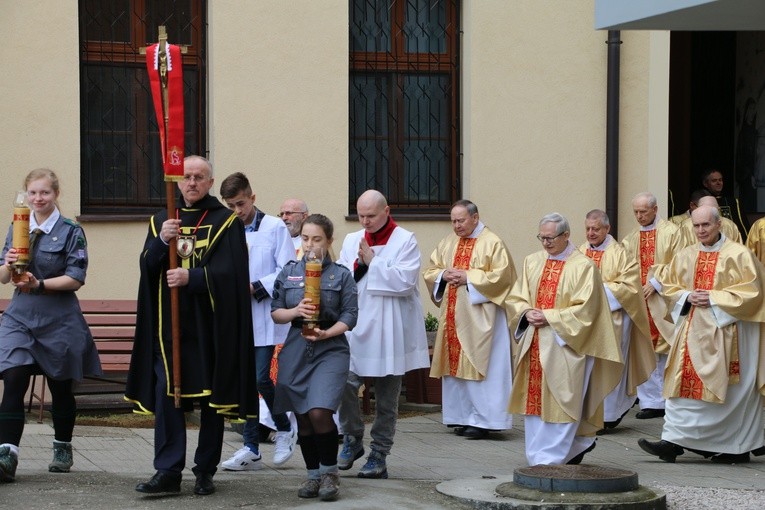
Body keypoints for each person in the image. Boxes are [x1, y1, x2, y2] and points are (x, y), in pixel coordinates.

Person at [125, 155, 258, 496]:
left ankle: (205, 470)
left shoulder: (225, 221)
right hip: (169, 331)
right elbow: (147, 268)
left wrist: (193, 277)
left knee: (210, 401)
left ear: (211, 182)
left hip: (209, 327)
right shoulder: (161, 220)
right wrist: (160, 241)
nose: (193, 182)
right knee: (168, 395)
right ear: (176, 182)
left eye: (200, 177)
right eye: (187, 177)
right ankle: (167, 471)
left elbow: (231, 275)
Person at [638, 205, 765, 464]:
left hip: (729, 336)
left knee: (731, 394)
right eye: (696, 226)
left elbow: (754, 293)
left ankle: (735, 447)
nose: (700, 231)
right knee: (679, 388)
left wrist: (714, 298)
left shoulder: (739, 255)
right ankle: (671, 441)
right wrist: (686, 295)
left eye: (706, 225)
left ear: (719, 224)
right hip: (690, 334)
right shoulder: (685, 255)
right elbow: (671, 287)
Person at [0, 169, 101, 482]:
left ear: (55, 194)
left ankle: (62, 445)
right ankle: (7, 455)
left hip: (59, 318)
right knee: (14, 378)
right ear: (26, 195)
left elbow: (76, 278)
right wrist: (9, 263)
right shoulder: (18, 226)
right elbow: (4, 276)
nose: (37, 199)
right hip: (21, 316)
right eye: (32, 193)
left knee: (59, 386)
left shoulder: (72, 230)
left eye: (44, 193)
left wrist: (39, 283)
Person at [506, 213, 622, 465]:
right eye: (542, 238)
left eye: (550, 238)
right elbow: (516, 298)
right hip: (534, 343)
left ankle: (550, 459)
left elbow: (588, 310)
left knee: (562, 400)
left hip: (567, 345)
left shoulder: (583, 267)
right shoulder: (532, 261)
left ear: (566, 235)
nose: (545, 243)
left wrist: (548, 316)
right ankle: (539, 457)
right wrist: (526, 312)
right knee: (534, 403)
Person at [336, 190, 430, 479]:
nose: (364, 221)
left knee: (387, 397)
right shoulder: (352, 240)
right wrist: (361, 264)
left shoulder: (406, 239)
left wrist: (373, 262)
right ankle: (352, 437)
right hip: (358, 321)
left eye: (371, 216)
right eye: (361, 215)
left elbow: (405, 281)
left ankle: (379, 454)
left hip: (390, 328)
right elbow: (342, 277)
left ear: (386, 211)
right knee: (343, 383)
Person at [271, 214, 358, 501]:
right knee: (303, 416)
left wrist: (326, 333)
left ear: (329, 241)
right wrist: (296, 311)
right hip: (297, 347)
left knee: (320, 411)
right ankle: (312, 475)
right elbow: (276, 311)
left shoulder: (342, 275)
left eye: (317, 239)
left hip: (330, 348)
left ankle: (330, 473)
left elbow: (350, 316)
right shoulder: (290, 271)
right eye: (306, 238)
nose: (310, 245)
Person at [219, 172, 297, 471]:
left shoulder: (275, 227)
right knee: (245, 384)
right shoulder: (227, 229)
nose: (237, 211)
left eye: (241, 203)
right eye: (231, 205)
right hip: (237, 317)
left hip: (264, 315)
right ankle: (251, 448)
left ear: (252, 197)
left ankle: (284, 428)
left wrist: (256, 287)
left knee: (261, 378)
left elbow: (288, 269)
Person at [422, 200, 517, 439]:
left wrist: (469, 277)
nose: (456, 226)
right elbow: (431, 270)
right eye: (453, 221)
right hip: (453, 316)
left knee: (484, 367)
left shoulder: (493, 242)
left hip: (484, 320)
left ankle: (487, 420)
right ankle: (462, 417)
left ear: (475, 218)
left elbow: (504, 278)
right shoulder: (448, 242)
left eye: (461, 220)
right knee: (456, 368)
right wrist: (444, 274)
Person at [578, 209, 655, 433]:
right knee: (588, 368)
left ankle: (609, 415)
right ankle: (589, 412)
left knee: (608, 365)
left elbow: (630, 288)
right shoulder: (580, 252)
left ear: (607, 229)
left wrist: (597, 292)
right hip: (586, 322)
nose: (591, 233)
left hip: (613, 321)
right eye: (588, 229)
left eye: (596, 229)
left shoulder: (620, 254)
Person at [621, 192, 685, 420]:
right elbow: (626, 269)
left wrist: (657, 283)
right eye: (636, 212)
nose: (639, 216)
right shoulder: (630, 239)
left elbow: (681, 261)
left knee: (667, 348)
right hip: (641, 302)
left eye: (643, 212)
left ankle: (670, 398)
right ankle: (650, 401)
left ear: (655, 209)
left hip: (663, 299)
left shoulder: (672, 232)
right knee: (644, 349)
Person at [701, 168, 748, 240]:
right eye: (714, 181)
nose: (718, 183)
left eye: (720, 180)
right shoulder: (701, 202)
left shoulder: (733, 203)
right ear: (705, 184)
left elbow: (743, 227)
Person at [677, 196, 742, 245]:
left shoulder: (730, 225)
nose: (701, 230)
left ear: (718, 209)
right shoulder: (685, 226)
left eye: (713, 211)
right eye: (696, 226)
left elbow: (737, 250)